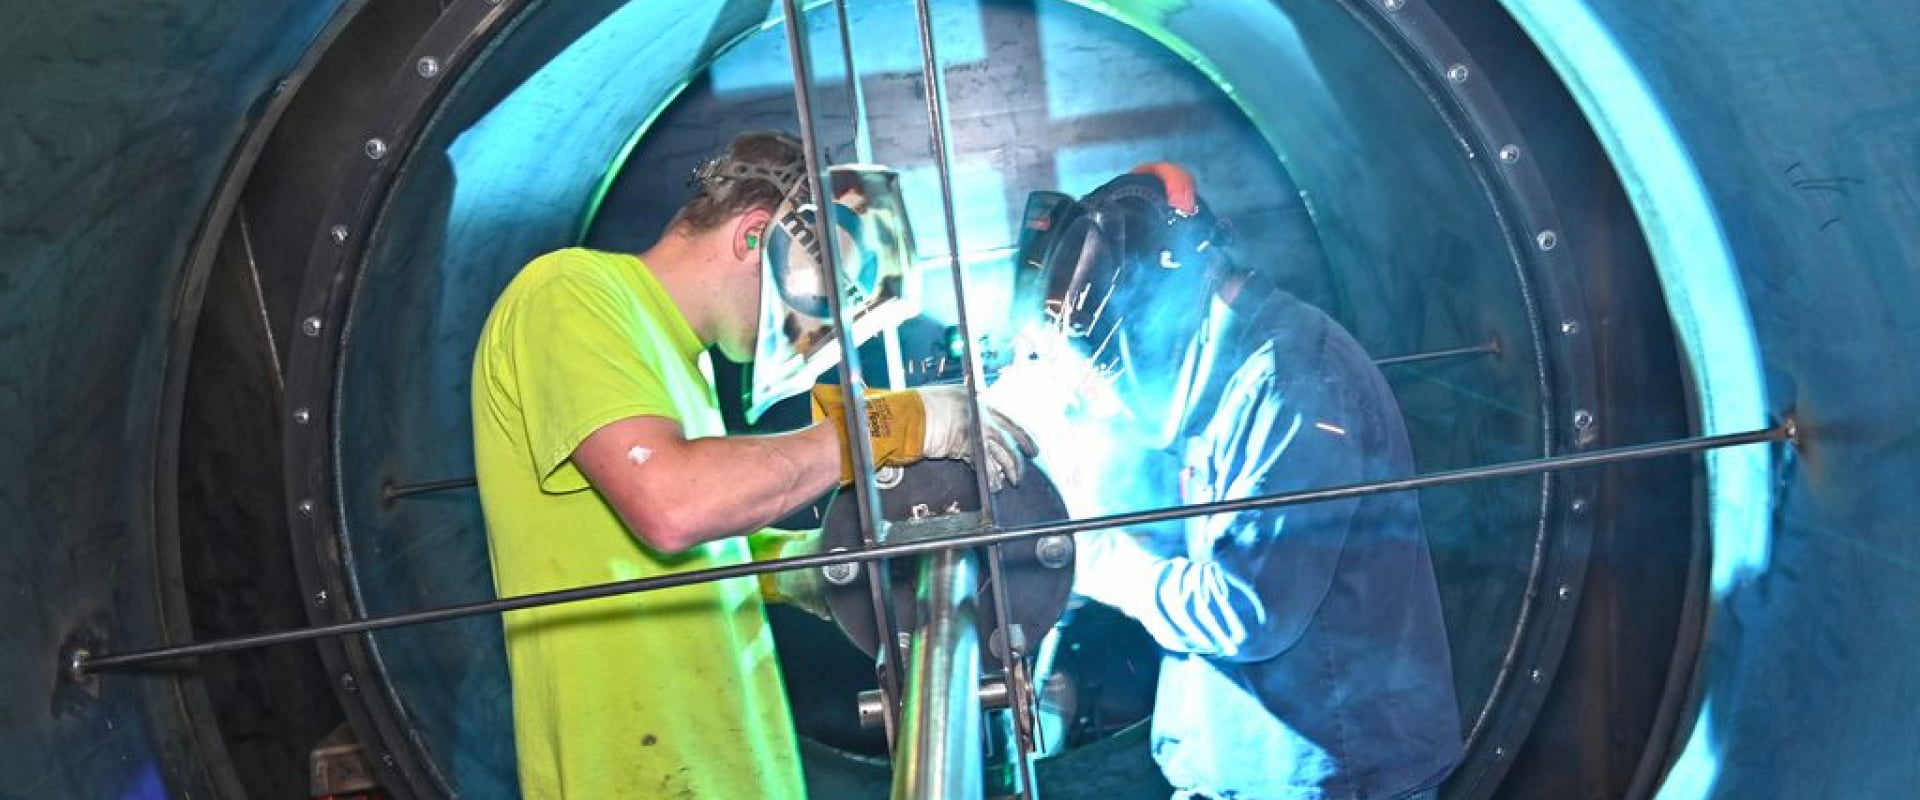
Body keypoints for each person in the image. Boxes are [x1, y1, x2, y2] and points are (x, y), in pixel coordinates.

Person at [470, 130, 1036, 799]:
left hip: (722, 771)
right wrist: (889, 425)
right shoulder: (571, 292)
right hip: (633, 777)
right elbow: (675, 505)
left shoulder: (687, 363)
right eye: (819, 297)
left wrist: (802, 566)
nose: (813, 326)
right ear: (753, 236)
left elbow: (680, 547)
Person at [992, 163, 1461, 800]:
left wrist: (1089, 554)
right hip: (1247, 770)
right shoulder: (1227, 368)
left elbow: (1244, 611)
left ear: (1180, 293)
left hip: (1334, 777)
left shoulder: (1294, 385)